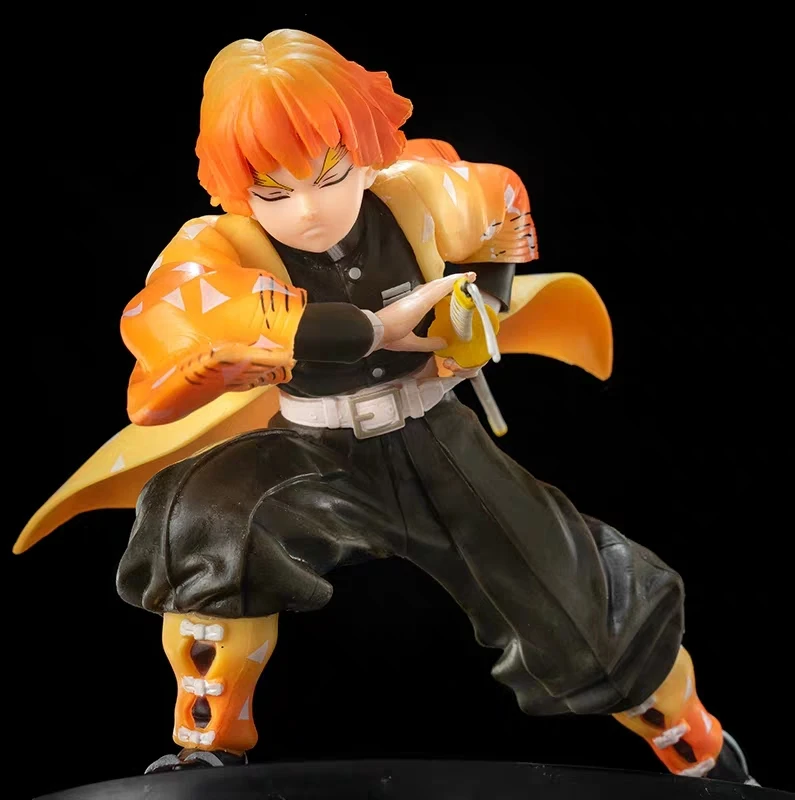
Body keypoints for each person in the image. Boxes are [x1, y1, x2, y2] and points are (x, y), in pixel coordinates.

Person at [14, 29, 757, 784]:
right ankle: (206, 737)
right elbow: (175, 310)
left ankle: (694, 744)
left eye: (329, 175)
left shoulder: (418, 192)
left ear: (366, 151)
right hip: (312, 449)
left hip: (436, 438)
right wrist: (370, 329)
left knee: (574, 598)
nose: (308, 210)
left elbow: (500, 203)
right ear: (238, 188)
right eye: (274, 190)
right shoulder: (219, 245)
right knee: (209, 518)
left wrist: (483, 307)